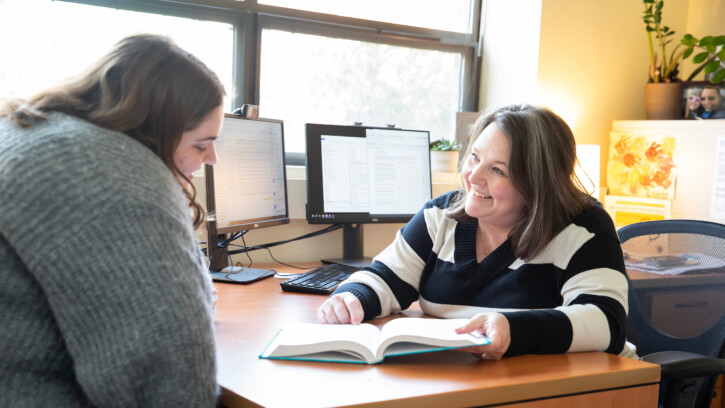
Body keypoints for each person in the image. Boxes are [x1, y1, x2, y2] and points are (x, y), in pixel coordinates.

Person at [0, 34, 224, 406]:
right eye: (201, 144)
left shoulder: (32, 132)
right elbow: (170, 376)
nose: (212, 158)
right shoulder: (102, 170)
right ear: (155, 129)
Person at [317, 104, 637, 360]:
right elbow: (385, 277)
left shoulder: (584, 229)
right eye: (475, 157)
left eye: (497, 170)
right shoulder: (441, 216)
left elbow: (605, 323)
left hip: (589, 390)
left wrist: (513, 330)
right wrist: (351, 297)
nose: (473, 177)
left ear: (537, 184)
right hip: (470, 382)